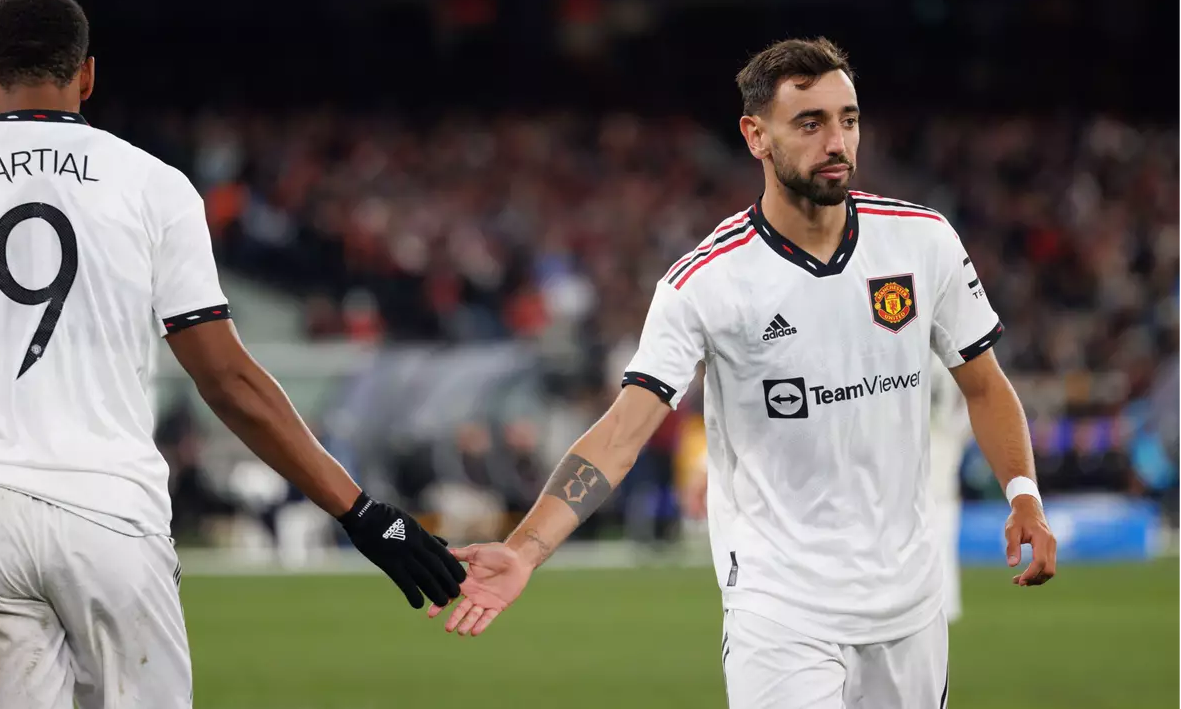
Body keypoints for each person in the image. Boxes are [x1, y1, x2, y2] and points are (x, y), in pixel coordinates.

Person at [0, 0, 463, 709]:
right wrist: (358, 510)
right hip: (113, 517)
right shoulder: (155, 187)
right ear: (87, 76)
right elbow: (228, 380)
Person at [430, 38, 1057, 708]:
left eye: (847, 119)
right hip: (780, 610)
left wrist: (1024, 493)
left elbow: (984, 383)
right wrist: (525, 550)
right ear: (755, 135)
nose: (836, 141)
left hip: (910, 605)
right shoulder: (706, 282)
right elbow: (620, 436)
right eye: (809, 123)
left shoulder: (922, 241)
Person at [928, 353, 971, 624]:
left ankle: (943, 608)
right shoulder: (947, 362)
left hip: (933, 491)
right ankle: (946, 608)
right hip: (940, 492)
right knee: (943, 552)